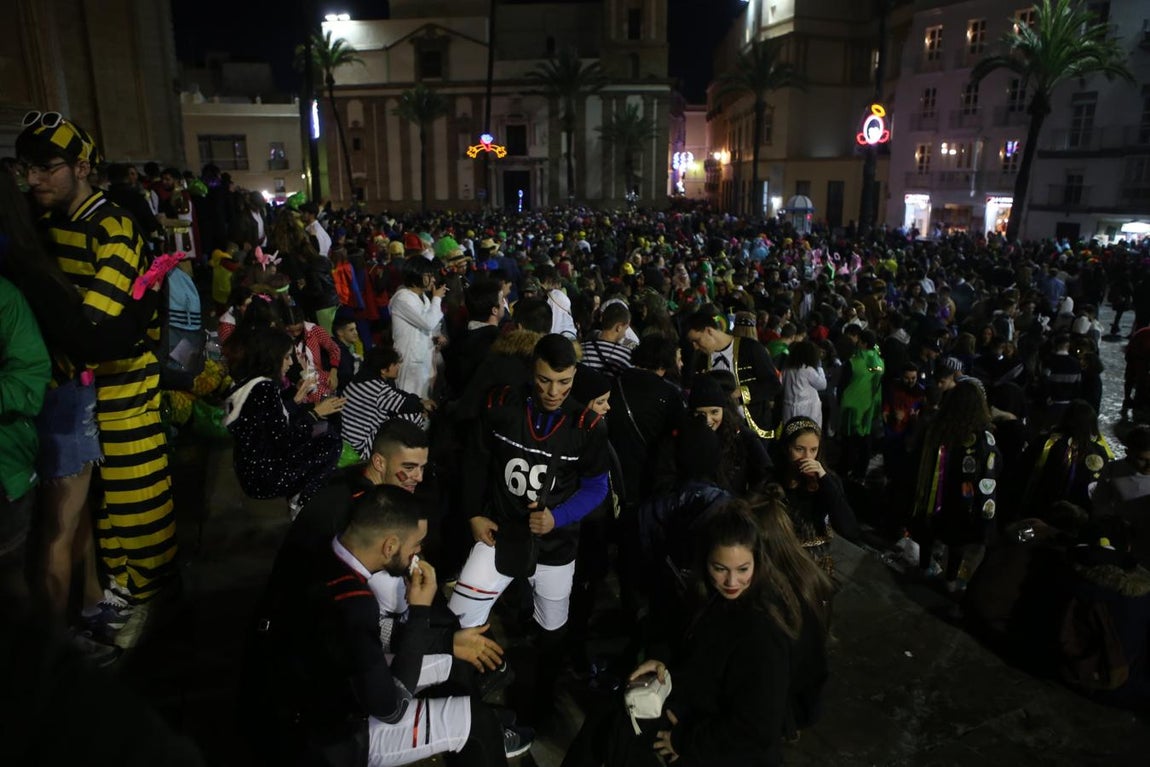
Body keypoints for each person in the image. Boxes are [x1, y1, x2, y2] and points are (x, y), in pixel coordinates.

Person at [17, 112, 177, 639]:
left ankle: (149, 602)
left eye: (46, 166)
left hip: (126, 383)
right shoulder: (44, 224)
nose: (34, 178)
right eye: (27, 168)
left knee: (137, 494)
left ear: (82, 166)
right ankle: (117, 594)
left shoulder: (112, 225)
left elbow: (96, 327)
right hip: (80, 389)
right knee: (99, 507)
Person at [247, 485, 525, 767]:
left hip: (314, 695)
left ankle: (471, 723)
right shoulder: (354, 602)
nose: (419, 553)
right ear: (389, 546)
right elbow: (392, 709)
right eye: (416, 545)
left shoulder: (326, 554)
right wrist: (419, 611)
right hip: (324, 738)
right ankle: (481, 728)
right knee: (478, 724)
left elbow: (368, 638)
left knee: (455, 663)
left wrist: (446, 643)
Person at [448, 334, 609, 724]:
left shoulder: (587, 426)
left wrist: (559, 517)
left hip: (556, 549)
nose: (553, 391)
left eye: (564, 382)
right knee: (458, 622)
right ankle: (455, 704)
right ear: (531, 370)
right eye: (544, 380)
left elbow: (597, 487)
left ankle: (539, 704)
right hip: (499, 536)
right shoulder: (501, 404)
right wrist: (473, 514)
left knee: (551, 632)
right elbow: (475, 460)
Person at [561, 502, 793, 767]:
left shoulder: (763, 632)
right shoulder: (707, 598)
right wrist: (662, 660)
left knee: (622, 737)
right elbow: (674, 634)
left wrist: (683, 740)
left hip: (719, 746)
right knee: (607, 717)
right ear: (705, 561)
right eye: (720, 568)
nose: (731, 582)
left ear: (757, 563)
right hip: (689, 716)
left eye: (743, 569)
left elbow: (757, 729)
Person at [222, 325, 344, 518]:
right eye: (286, 357)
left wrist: (297, 399)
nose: (289, 364)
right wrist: (315, 412)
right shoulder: (264, 388)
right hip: (264, 476)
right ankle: (301, 501)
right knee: (331, 442)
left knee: (324, 430)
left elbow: (269, 422)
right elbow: (286, 439)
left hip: (251, 469)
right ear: (272, 357)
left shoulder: (249, 382)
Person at [912, 380, 1002, 592]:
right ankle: (950, 579)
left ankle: (924, 567)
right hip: (963, 499)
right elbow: (993, 467)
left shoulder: (936, 428)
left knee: (929, 531)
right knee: (957, 541)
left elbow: (918, 457)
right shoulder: (983, 436)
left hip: (936, 493)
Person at [777, 417, 859, 575]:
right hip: (779, 557)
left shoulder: (828, 481)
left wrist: (824, 478)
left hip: (813, 562)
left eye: (813, 450)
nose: (807, 457)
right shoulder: (774, 478)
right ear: (787, 448)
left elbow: (850, 529)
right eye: (799, 449)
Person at [684, 309, 781, 442]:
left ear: (709, 331)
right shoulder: (699, 358)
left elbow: (773, 385)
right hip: (718, 430)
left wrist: (741, 392)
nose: (695, 347)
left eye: (697, 340)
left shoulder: (751, 348)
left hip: (754, 427)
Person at [342, 346, 432, 461]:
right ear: (383, 370)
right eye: (395, 364)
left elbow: (397, 394)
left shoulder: (363, 378)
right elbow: (405, 405)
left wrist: (420, 401)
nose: (398, 367)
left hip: (349, 438)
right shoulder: (376, 388)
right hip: (360, 446)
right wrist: (422, 406)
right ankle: (403, 457)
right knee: (414, 416)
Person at [390, 256, 447, 400]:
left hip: (424, 360)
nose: (433, 280)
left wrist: (435, 337)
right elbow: (427, 322)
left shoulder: (424, 298)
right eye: (429, 275)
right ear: (417, 275)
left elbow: (429, 326)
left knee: (425, 405)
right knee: (410, 403)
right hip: (410, 362)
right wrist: (437, 298)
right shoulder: (403, 298)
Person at [780, 339, 827, 429]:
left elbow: (782, 385)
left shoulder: (786, 369)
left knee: (791, 435)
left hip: (788, 409)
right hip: (807, 411)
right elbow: (822, 385)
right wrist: (819, 368)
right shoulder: (808, 370)